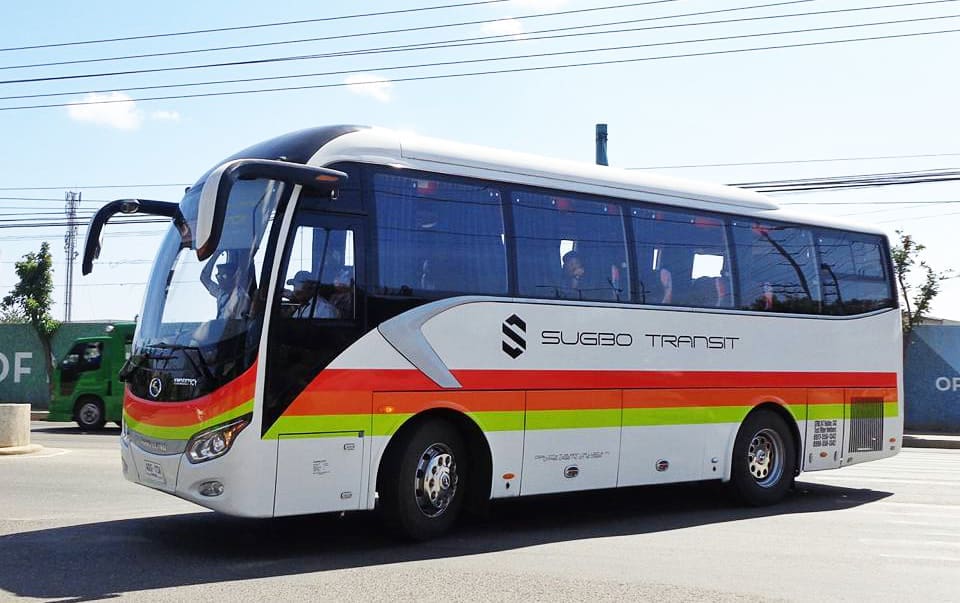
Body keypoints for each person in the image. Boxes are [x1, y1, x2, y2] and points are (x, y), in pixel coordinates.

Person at [200, 251, 251, 319]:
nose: (219, 280)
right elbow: (204, 277)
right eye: (218, 276)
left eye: (223, 276)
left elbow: (234, 321)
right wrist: (216, 254)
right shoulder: (221, 293)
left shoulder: (241, 296)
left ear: (234, 277)